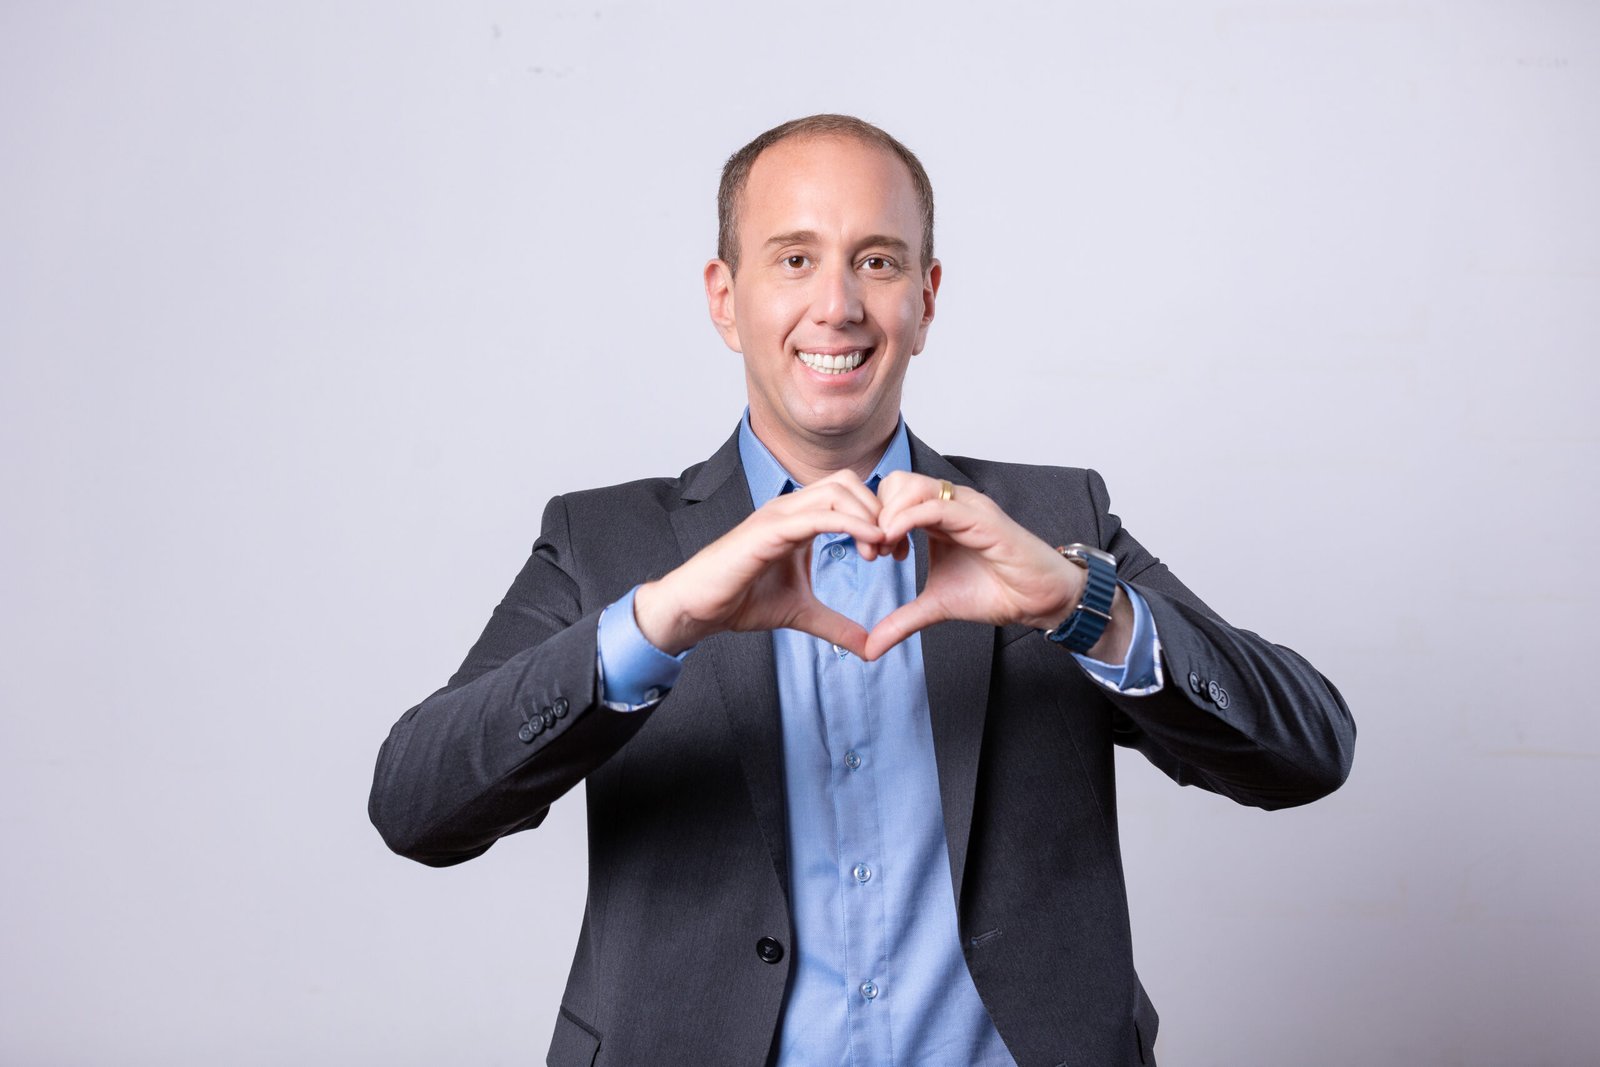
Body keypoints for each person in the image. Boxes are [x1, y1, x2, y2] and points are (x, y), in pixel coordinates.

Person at [369, 114, 1355, 1067]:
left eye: (877, 261)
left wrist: (1077, 604)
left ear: (925, 298)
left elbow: (1306, 752)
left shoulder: (1054, 521)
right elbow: (417, 806)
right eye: (794, 258)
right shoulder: (606, 542)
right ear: (725, 298)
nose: (837, 304)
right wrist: (656, 622)